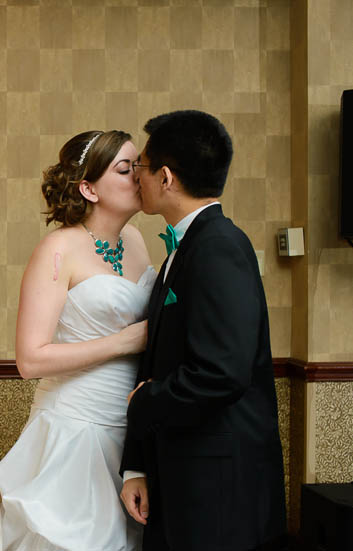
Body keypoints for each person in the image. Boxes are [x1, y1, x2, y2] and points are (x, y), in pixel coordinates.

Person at [119, 110, 286, 551]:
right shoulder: (187, 244)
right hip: (182, 474)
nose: (137, 177)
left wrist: (146, 401)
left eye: (141, 167)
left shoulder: (219, 247)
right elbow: (160, 355)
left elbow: (222, 372)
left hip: (217, 488)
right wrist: (136, 465)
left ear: (166, 177)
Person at [0, 130, 154, 551]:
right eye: (124, 168)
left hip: (129, 429)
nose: (138, 175)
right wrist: (124, 342)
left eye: (139, 165)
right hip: (74, 428)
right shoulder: (58, 248)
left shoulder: (135, 241)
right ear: (88, 187)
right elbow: (30, 359)